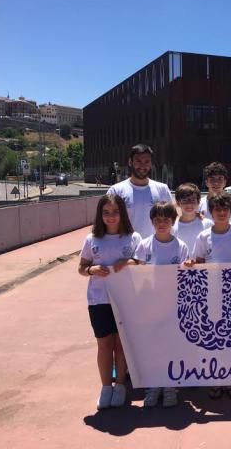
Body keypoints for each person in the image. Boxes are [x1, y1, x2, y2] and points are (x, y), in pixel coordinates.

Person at [78, 194, 141, 409]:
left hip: (126, 300)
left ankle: (121, 385)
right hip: (99, 300)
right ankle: (106, 387)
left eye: (115, 212)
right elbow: (81, 267)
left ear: (122, 213)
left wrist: (130, 261)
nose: (111, 217)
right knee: (104, 344)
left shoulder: (133, 238)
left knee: (121, 344)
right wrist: (90, 269)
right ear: (100, 215)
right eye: (106, 213)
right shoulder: (91, 239)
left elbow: (142, 264)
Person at [189, 192, 231, 400]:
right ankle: (214, 379)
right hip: (210, 295)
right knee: (213, 338)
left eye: (225, 209)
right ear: (211, 212)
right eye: (217, 210)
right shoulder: (203, 236)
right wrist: (191, 264)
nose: (222, 213)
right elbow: (197, 262)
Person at [135, 202, 190, 407]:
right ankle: (153, 386)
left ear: (173, 222)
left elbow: (186, 278)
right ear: (151, 222)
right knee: (152, 348)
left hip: (173, 308)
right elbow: (138, 275)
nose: (162, 223)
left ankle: (170, 386)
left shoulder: (181, 246)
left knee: (171, 347)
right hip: (150, 308)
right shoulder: (144, 245)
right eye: (157, 220)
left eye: (166, 220)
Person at [107, 144, 172, 238]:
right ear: (130, 162)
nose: (143, 165)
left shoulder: (162, 189)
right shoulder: (116, 191)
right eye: (138, 161)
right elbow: (107, 221)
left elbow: (171, 219)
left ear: (151, 164)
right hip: (126, 249)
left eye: (147, 161)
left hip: (154, 248)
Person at [173, 183, 213, 255]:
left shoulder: (208, 224)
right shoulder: (172, 226)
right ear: (178, 203)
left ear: (198, 202)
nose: (189, 204)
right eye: (184, 200)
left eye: (193, 200)